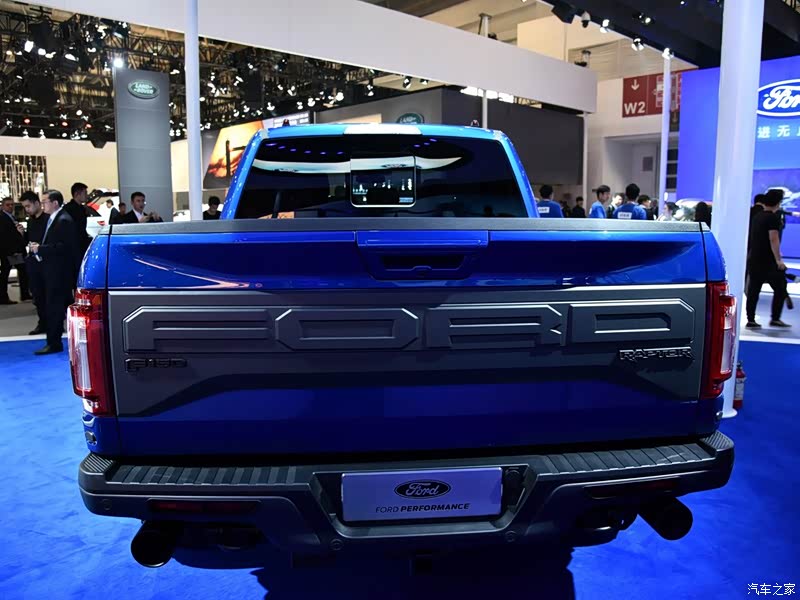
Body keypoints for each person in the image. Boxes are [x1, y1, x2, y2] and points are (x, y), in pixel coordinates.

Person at [29, 190, 79, 355]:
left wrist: (41, 249)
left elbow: (65, 247)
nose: (43, 205)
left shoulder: (63, 220)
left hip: (59, 273)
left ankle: (54, 342)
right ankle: (56, 341)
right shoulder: (55, 218)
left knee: (54, 309)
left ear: (55, 203)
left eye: (45, 201)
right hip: (54, 272)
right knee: (60, 307)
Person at [745, 189, 790, 329]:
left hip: (754, 258)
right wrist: (778, 260)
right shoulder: (773, 218)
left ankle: (750, 319)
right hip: (768, 261)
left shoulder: (757, 217)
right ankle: (775, 318)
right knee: (780, 288)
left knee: (754, 290)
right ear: (778, 202)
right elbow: (773, 239)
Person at [18, 191, 49, 334]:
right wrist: (22, 235)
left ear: (37, 203)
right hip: (34, 263)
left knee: (48, 296)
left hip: (46, 263)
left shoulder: (48, 220)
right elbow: (29, 241)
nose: (27, 209)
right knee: (37, 296)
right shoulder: (31, 221)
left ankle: (52, 323)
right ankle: (42, 322)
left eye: (28, 206)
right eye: (25, 207)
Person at [1, 196, 31, 304]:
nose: (10, 206)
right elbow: (5, 236)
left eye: (11, 204)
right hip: (9, 251)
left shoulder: (11, 217)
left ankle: (24, 294)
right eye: (7, 205)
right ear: (2, 206)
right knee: (7, 274)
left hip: (14, 250)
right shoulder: (2, 218)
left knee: (21, 271)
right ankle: (5, 296)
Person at [62, 182, 92, 256]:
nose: (87, 195)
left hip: (82, 244)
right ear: (76, 194)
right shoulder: (68, 209)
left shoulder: (82, 208)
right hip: (73, 245)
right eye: (85, 193)